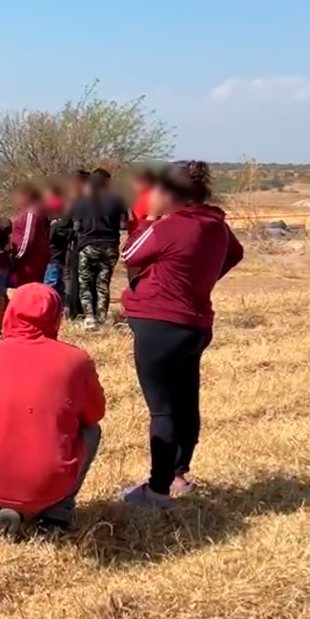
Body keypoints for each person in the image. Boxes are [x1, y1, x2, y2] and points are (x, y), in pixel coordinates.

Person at [119, 161, 244, 507]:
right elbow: (236, 253)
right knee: (185, 400)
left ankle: (156, 490)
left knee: (162, 409)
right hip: (196, 324)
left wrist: (149, 219)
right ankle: (178, 474)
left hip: (159, 323)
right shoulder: (215, 225)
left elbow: (129, 252)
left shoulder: (170, 227)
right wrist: (199, 280)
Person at [0, 283, 106, 537]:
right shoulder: (76, 360)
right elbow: (94, 415)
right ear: (56, 316)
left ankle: (0, 506)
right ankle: (57, 513)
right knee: (92, 432)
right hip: (50, 480)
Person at [70, 168, 127, 328]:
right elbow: (123, 226)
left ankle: (89, 318)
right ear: (107, 183)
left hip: (87, 246)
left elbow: (76, 227)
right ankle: (102, 318)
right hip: (110, 246)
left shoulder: (82, 202)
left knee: (85, 283)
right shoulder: (118, 201)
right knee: (103, 283)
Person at [8, 182, 52, 288]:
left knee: (28, 289)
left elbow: (27, 239)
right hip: (32, 261)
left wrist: (16, 257)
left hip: (29, 263)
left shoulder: (31, 212)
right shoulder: (37, 210)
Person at [63, 170, 90, 321]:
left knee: (75, 279)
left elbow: (67, 223)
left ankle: (75, 312)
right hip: (80, 243)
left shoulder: (78, 200)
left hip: (78, 244)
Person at [44, 183, 72, 303]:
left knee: (50, 284)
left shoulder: (54, 226)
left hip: (53, 258)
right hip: (64, 257)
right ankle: (60, 308)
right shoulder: (71, 226)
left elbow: (49, 240)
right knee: (61, 285)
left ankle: (47, 305)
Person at [128, 166, 156, 236]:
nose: (131, 185)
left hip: (141, 237)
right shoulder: (143, 196)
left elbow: (141, 223)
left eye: (134, 182)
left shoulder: (148, 198)